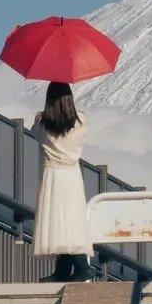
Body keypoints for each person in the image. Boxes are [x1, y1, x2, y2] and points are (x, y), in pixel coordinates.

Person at [33, 81, 94, 282]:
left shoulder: (42, 123)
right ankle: (65, 269)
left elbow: (35, 133)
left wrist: (40, 116)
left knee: (57, 221)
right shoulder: (81, 121)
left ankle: (79, 268)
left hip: (52, 175)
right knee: (71, 220)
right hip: (72, 175)